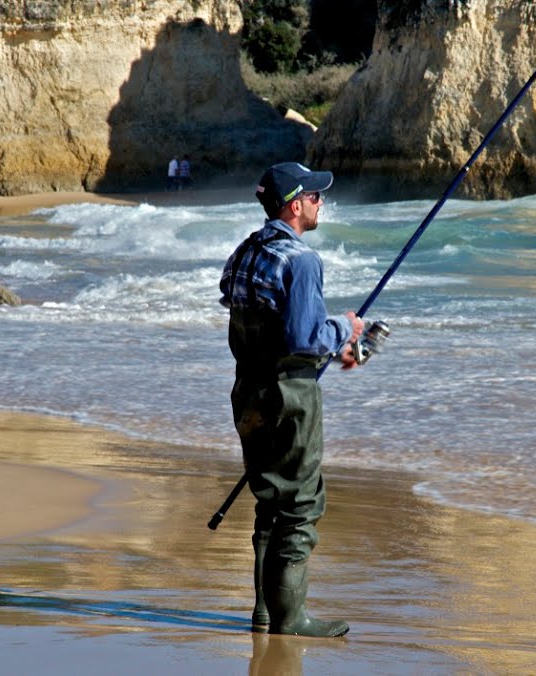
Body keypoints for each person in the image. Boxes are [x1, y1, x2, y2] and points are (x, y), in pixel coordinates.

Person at [219, 162, 364, 638]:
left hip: (249, 393)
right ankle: (289, 618)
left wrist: (328, 344)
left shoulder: (244, 252)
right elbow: (304, 337)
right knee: (300, 504)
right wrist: (346, 328)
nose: (323, 203)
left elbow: (258, 318)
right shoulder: (302, 261)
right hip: (290, 398)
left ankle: (264, 611)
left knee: (268, 498)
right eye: (316, 197)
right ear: (295, 205)